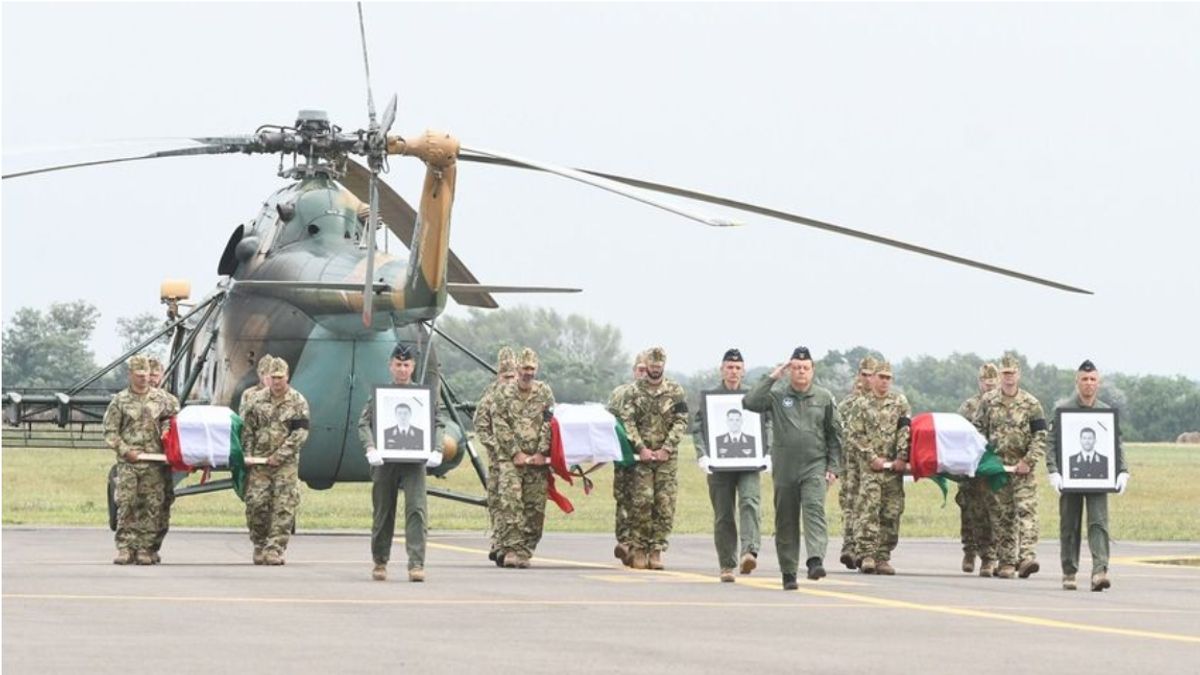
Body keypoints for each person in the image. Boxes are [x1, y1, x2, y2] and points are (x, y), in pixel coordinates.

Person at [743, 346, 842, 589]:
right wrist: (773, 376)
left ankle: (815, 559)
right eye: (796, 368)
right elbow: (750, 402)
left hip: (814, 465)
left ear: (812, 370)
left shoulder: (823, 397)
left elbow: (835, 435)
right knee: (785, 519)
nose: (801, 372)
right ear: (790, 370)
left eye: (805, 368)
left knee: (814, 509)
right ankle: (788, 572)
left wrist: (834, 466)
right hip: (785, 468)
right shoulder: (777, 395)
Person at [359, 344, 443, 582]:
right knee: (383, 512)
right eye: (398, 364)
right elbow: (363, 423)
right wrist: (370, 447)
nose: (403, 369)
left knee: (416, 510)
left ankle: (416, 564)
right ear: (391, 365)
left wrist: (436, 449)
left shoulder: (423, 396)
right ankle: (380, 561)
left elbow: (438, 423)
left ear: (413, 367)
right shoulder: (381, 396)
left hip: (415, 462)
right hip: (385, 462)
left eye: (407, 365)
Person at [1048, 359, 1130, 592]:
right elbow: (1051, 443)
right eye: (1084, 379)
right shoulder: (1063, 409)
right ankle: (1069, 572)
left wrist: (1122, 470)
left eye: (1093, 379)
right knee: (1069, 525)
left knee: (1099, 524)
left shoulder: (1105, 412)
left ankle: (1099, 572)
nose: (1088, 383)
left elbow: (1117, 443)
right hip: (1070, 476)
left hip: (1098, 477)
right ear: (1077, 382)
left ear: (1098, 383)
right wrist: (1054, 471)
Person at [971, 354, 1047, 580]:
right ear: (1000, 375)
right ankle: (1006, 562)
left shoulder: (1031, 404)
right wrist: (986, 461)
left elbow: (1040, 436)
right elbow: (977, 432)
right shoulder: (988, 402)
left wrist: (1029, 461)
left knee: (1026, 512)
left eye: (1012, 373)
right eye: (1005, 373)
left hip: (1023, 469)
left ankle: (1026, 557)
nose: (1008, 378)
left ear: (1019, 374)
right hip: (998, 470)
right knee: (1002, 516)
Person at [693, 348, 764, 582]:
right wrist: (702, 455)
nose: (733, 372)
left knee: (749, 503)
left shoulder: (754, 396)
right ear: (722, 369)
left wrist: (767, 451)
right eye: (729, 367)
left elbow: (768, 425)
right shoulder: (711, 398)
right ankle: (726, 564)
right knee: (724, 514)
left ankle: (748, 551)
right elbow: (698, 428)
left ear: (743, 371)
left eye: (737, 368)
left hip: (748, 463)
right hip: (719, 465)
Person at [102, 355, 180, 565]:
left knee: (151, 506)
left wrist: (167, 433)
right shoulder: (120, 401)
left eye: (146, 375)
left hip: (154, 463)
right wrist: (126, 451)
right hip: (130, 463)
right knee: (126, 504)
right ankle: (126, 548)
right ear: (130, 376)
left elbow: (173, 421)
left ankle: (145, 548)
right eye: (139, 375)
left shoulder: (161, 399)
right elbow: (110, 432)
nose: (144, 379)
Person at [619, 346, 689, 570]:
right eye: (652, 367)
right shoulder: (633, 391)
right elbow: (627, 421)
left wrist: (667, 448)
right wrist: (640, 447)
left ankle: (657, 549)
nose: (655, 371)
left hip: (666, 458)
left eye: (659, 367)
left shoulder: (675, 390)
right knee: (642, 502)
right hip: (643, 458)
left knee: (664, 503)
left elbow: (681, 420)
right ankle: (639, 548)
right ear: (646, 366)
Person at [240, 357, 310, 565]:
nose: (277, 382)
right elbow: (247, 429)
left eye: (280, 378)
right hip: (259, 462)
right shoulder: (256, 400)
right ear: (267, 377)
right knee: (256, 504)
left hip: (284, 464)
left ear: (287, 377)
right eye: (273, 377)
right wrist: (248, 455)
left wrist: (279, 455)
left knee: (284, 506)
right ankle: (260, 544)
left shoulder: (298, 401)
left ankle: (275, 548)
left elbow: (300, 433)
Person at [492, 348, 556, 568]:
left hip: (538, 460)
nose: (528, 373)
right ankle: (510, 548)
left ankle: (525, 550)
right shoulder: (503, 394)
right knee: (511, 502)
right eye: (524, 368)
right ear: (517, 369)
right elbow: (499, 424)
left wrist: (542, 452)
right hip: (511, 459)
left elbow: (550, 423)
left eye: (531, 368)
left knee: (535, 507)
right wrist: (514, 452)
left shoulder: (544, 393)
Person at [848, 361, 911, 575]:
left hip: (893, 469)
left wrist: (902, 457)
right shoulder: (862, 404)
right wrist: (871, 456)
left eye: (888, 378)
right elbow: (855, 434)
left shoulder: (899, 402)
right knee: (869, 510)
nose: (884, 381)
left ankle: (883, 556)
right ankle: (866, 554)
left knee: (892, 512)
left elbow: (905, 429)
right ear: (872, 378)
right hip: (871, 469)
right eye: (880, 377)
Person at [473, 346, 518, 565]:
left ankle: (508, 544)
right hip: (497, 461)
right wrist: (497, 448)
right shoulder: (490, 398)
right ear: (499, 376)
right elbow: (481, 427)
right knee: (497, 503)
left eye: (513, 376)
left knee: (515, 504)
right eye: (506, 376)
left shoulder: (524, 395)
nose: (510, 380)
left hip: (520, 461)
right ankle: (499, 542)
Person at [956, 363, 999, 575]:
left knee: (991, 515)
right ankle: (969, 551)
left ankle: (989, 558)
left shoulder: (1002, 404)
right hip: (971, 470)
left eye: (992, 382)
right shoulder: (968, 407)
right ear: (979, 382)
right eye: (985, 381)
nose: (988, 385)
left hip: (992, 472)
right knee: (969, 512)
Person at [607, 351, 648, 566]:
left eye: (646, 369)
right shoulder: (619, 393)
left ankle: (637, 544)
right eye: (640, 369)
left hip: (647, 458)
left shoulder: (655, 394)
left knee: (643, 502)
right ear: (634, 371)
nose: (643, 373)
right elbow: (609, 421)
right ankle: (624, 541)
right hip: (624, 455)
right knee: (623, 498)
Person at [837, 355, 878, 570]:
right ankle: (849, 546)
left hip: (871, 464)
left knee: (868, 506)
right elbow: (836, 435)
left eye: (872, 375)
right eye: (864, 375)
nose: (868, 380)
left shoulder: (881, 403)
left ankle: (865, 550)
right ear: (858, 376)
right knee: (850, 504)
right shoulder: (846, 405)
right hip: (850, 463)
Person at [146, 356, 181, 565]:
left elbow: (176, 428)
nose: (151, 379)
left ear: (161, 375)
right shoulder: (125, 399)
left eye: (155, 374)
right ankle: (131, 548)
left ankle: (152, 547)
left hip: (162, 463)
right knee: (133, 505)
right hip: (138, 461)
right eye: (147, 374)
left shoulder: (170, 401)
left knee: (161, 504)